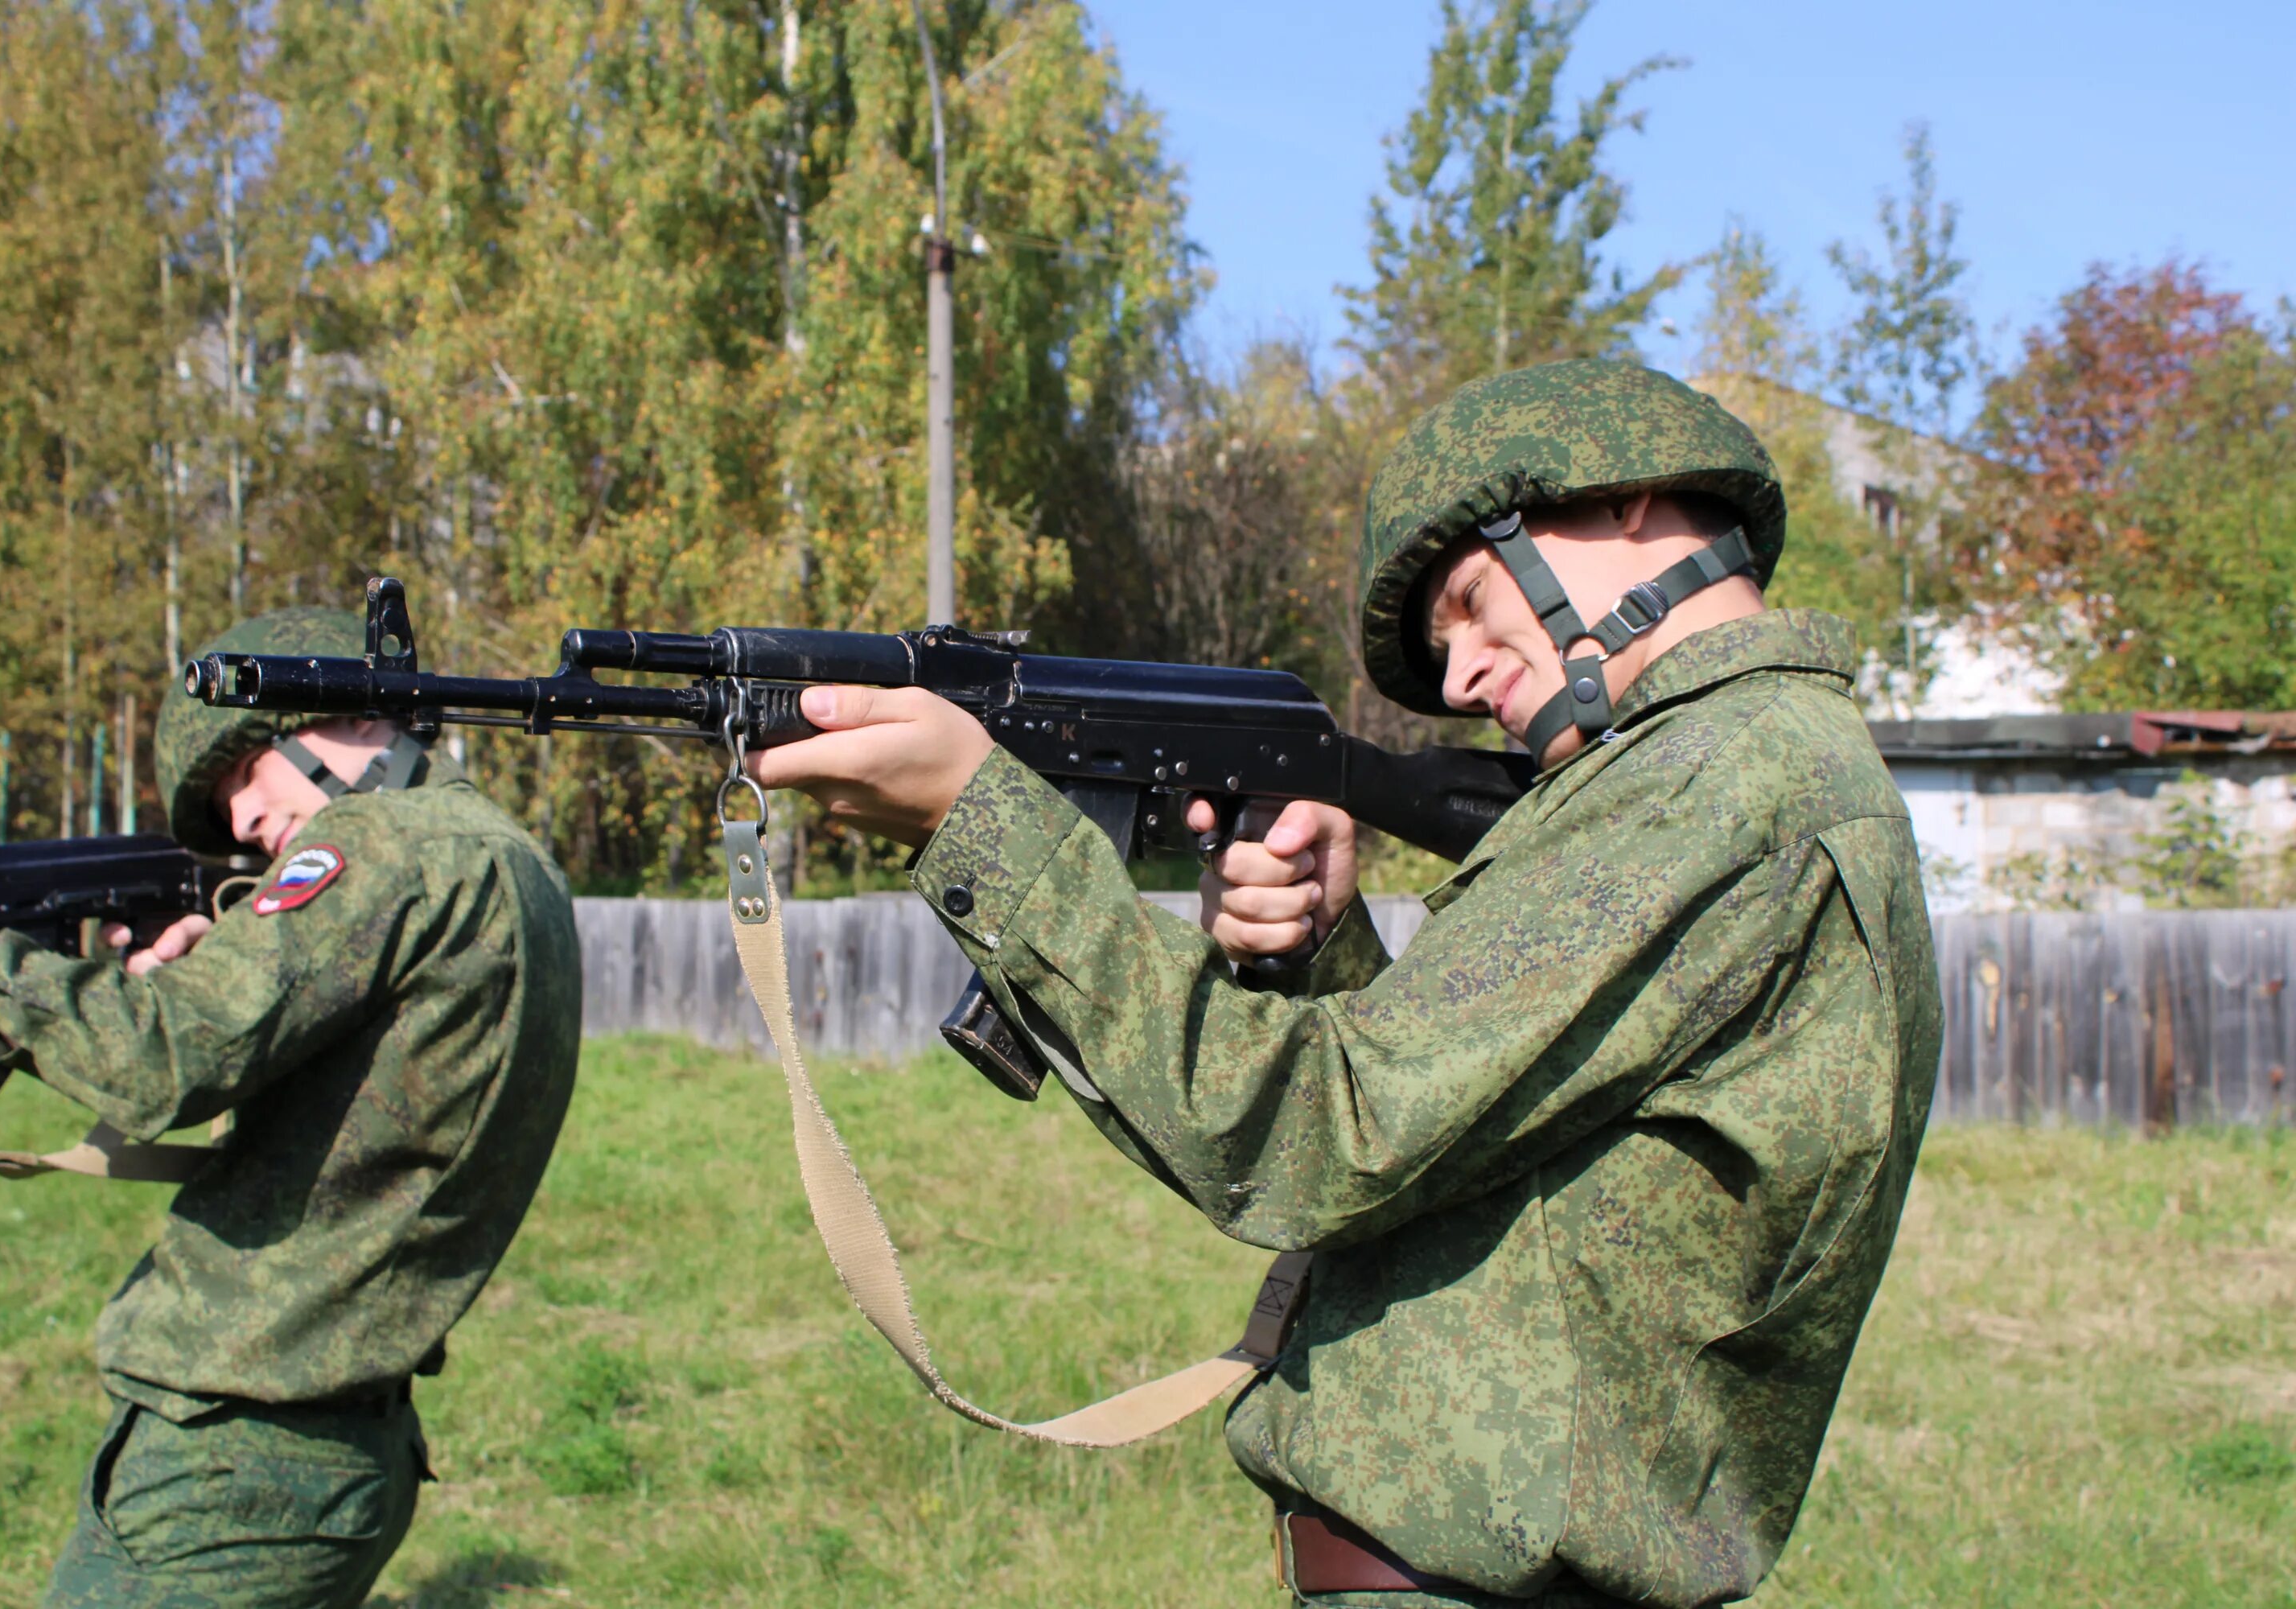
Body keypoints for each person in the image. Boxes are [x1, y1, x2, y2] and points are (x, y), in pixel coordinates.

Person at [746, 359, 1942, 1607]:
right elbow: (1474, 1169)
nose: (1469, 676)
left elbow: (1318, 1138)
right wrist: (1322, 949)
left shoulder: (1726, 781)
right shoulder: (1725, 777)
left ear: (1632, 500)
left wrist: (977, 821)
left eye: (1475, 607)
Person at [0, 607, 582, 1609]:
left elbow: (159, 1061)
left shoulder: (384, 847)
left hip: (236, 1464)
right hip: (321, 1433)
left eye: (243, 773)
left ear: (328, 716)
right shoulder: (503, 857)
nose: (245, 822)